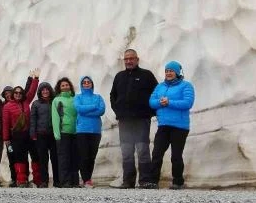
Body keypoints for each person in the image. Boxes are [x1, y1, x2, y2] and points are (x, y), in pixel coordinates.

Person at [109, 49, 158, 189]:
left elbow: (156, 93)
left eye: (131, 58)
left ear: (137, 59)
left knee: (142, 149)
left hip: (141, 120)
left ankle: (145, 180)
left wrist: (149, 112)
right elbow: (113, 95)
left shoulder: (146, 75)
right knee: (126, 152)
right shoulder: (119, 77)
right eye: (126, 59)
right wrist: (118, 110)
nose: (129, 61)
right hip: (125, 121)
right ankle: (128, 181)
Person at [144, 61, 195, 189]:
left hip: (180, 126)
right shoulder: (160, 86)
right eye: (167, 71)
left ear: (177, 72)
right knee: (157, 153)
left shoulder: (186, 86)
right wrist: (161, 103)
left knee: (176, 155)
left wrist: (169, 102)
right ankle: (153, 181)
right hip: (163, 125)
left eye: (171, 71)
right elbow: (151, 102)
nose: (168, 73)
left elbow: (187, 103)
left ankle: (178, 182)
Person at [2, 70, 41, 187]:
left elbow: (32, 91)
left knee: (35, 156)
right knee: (20, 157)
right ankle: (21, 180)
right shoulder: (8, 106)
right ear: (13, 94)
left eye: (20, 93)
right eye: (16, 93)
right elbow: (5, 123)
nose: (18, 94)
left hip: (29, 133)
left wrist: (35, 79)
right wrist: (6, 139)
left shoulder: (26, 101)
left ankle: (37, 179)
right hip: (17, 136)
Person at [74, 76, 106, 188]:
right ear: (81, 84)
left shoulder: (98, 97)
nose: (86, 84)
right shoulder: (78, 97)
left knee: (92, 156)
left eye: (88, 82)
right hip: (82, 130)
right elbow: (79, 109)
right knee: (84, 155)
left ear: (92, 84)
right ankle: (86, 179)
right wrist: (93, 107)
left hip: (95, 130)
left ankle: (88, 178)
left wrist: (86, 111)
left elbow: (101, 110)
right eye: (84, 82)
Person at [30, 82, 58, 188]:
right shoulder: (36, 104)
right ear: (40, 92)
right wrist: (33, 133)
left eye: (47, 89)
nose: (45, 91)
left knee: (55, 158)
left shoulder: (54, 102)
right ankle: (44, 181)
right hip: (41, 134)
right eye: (43, 90)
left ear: (50, 91)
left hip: (53, 134)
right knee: (43, 159)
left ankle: (57, 180)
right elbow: (33, 119)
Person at [52, 77, 78, 188]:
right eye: (62, 85)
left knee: (74, 158)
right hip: (63, 132)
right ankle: (65, 181)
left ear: (70, 86)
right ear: (59, 88)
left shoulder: (75, 99)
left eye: (67, 85)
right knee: (64, 158)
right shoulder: (57, 100)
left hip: (75, 132)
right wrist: (57, 134)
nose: (65, 87)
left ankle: (75, 181)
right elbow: (55, 117)